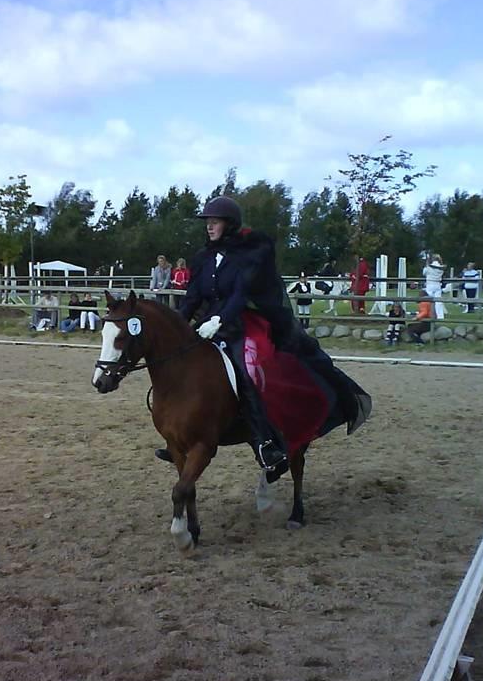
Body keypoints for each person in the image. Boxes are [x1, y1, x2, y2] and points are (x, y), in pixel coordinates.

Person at [155, 195, 371, 474]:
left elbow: (240, 295)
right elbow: (192, 297)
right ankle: (181, 437)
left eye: (215, 222)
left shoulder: (249, 254)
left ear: (229, 224)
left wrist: (220, 319)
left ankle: (265, 440)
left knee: (249, 370)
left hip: (242, 325)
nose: (209, 227)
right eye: (207, 222)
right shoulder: (203, 258)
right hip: (207, 325)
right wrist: (179, 326)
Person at [422, 253, 446, 320]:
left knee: (428, 300)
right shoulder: (441, 267)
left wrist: (426, 265)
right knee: (438, 302)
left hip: (430, 284)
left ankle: (429, 314)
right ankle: (440, 316)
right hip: (437, 284)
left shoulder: (429, 267)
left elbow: (424, 273)